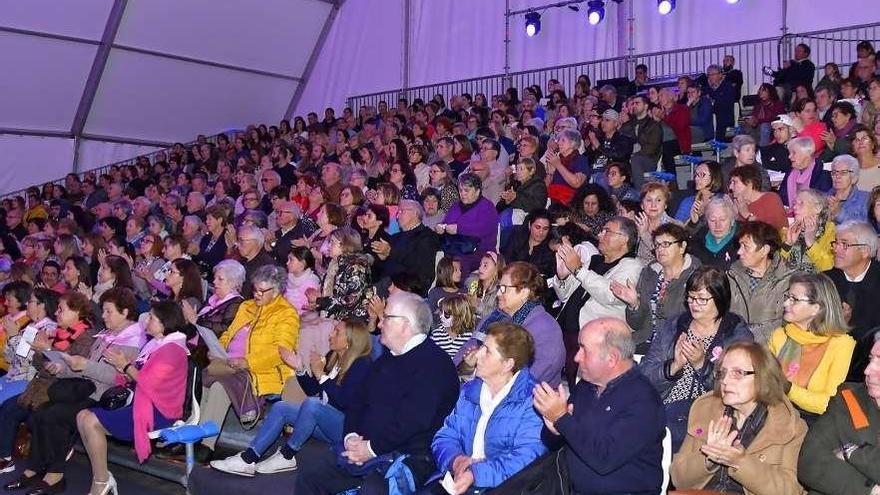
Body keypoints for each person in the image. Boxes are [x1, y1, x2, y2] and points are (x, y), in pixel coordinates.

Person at [294, 292, 459, 494]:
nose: (380, 324)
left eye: (386, 318)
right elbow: (357, 402)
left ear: (405, 325)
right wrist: (351, 437)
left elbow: (413, 422)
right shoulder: (386, 360)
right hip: (368, 447)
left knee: (370, 490)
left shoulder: (435, 365)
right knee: (311, 474)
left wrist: (371, 449)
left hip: (410, 457)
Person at [8, 288, 144, 494]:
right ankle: (35, 468)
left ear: (125, 313)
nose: (104, 316)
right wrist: (63, 368)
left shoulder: (131, 341)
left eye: (109, 312)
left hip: (105, 397)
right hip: (86, 390)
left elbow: (117, 378)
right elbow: (81, 367)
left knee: (55, 415)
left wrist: (81, 365)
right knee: (42, 412)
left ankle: (55, 475)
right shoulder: (106, 335)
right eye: (104, 311)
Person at [210, 320, 373, 477]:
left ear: (350, 341)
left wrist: (321, 375)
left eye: (337, 332)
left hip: (346, 430)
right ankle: (249, 458)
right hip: (325, 420)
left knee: (313, 405)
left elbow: (343, 401)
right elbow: (314, 391)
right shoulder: (333, 357)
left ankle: (287, 455)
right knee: (282, 407)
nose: (331, 334)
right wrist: (300, 368)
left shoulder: (361, 365)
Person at [533, 317, 665, 495]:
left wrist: (561, 419)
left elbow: (604, 459)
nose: (576, 357)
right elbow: (557, 441)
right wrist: (554, 430)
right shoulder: (586, 387)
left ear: (611, 359)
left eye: (584, 350)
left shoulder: (643, 401)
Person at [76, 301, 190, 494]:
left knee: (89, 421)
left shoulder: (173, 349)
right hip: (143, 401)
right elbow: (141, 378)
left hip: (159, 411)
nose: (147, 321)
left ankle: (101, 481)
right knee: (82, 416)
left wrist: (126, 366)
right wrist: (124, 368)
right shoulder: (157, 344)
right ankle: (102, 478)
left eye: (152, 317)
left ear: (165, 322)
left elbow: (149, 383)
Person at [671, 341, 807, 495]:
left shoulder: (788, 424)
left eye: (737, 373)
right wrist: (708, 459)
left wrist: (741, 462)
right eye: (722, 373)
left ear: (763, 377)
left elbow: (790, 491)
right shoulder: (706, 410)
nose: (725, 381)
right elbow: (678, 479)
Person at [640, 266, 753, 450]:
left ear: (720, 298)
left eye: (702, 299)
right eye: (691, 297)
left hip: (707, 412)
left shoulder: (734, 332)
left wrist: (702, 364)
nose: (694, 304)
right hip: (663, 404)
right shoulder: (676, 325)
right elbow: (645, 374)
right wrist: (673, 367)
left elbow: (737, 386)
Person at [430, 323, 546, 493]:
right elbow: (446, 434)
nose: (478, 354)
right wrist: (456, 460)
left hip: (504, 488)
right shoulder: (470, 391)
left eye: (487, 351)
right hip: (458, 480)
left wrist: (475, 474)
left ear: (507, 364)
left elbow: (526, 459)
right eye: (482, 347)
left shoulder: (532, 401)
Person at [199, 265, 300, 455]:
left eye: (262, 291)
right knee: (207, 375)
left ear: (277, 291)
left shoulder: (286, 313)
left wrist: (247, 362)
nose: (257, 294)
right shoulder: (246, 307)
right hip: (232, 363)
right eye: (255, 289)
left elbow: (280, 353)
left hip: (261, 372)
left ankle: (206, 444)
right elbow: (229, 334)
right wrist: (217, 348)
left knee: (221, 386)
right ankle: (196, 434)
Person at [0, 291, 95, 476]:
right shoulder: (54, 331)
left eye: (62, 309)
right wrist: (39, 350)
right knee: (13, 408)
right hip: (39, 383)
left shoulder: (84, 336)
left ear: (76, 312)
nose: (57, 313)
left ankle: (30, 460)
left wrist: (46, 349)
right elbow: (31, 361)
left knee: (23, 411)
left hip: (57, 388)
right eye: (58, 309)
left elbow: (72, 367)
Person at [459, 262, 565, 387]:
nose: (498, 294)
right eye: (499, 287)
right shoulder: (493, 318)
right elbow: (464, 353)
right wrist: (467, 365)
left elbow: (529, 381)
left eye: (504, 288)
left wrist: (480, 374)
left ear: (524, 292)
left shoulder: (546, 330)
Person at [798, 334, 880, 495]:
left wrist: (851, 453)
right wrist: (871, 491)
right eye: (871, 359)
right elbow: (810, 461)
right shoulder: (849, 398)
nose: (867, 370)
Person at [767, 273, 855, 420]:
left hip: (814, 424)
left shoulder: (841, 344)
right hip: (773, 416)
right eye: (787, 297)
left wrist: (788, 388)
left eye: (794, 299)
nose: (785, 304)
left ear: (816, 308)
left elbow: (829, 403)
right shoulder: (779, 335)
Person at [612, 223, 701, 351]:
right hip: (643, 343)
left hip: (675, 347)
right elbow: (636, 324)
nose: (660, 249)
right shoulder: (649, 273)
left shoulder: (697, 276)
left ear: (682, 247)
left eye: (666, 244)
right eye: (657, 245)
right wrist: (634, 304)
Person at [824, 221, 880, 381]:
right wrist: (837, 325)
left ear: (865, 251)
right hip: (832, 366)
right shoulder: (826, 281)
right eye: (836, 243)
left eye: (844, 244)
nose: (836, 249)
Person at [729, 221, 796, 344]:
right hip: (736, 346)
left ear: (764, 250)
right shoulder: (732, 275)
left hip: (772, 349)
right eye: (740, 246)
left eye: (746, 247)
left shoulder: (788, 280)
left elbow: (789, 323)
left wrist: (748, 336)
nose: (739, 252)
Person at [437, 174, 500, 276]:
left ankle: (458, 290)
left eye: (466, 190)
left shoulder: (487, 207)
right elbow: (445, 222)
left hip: (478, 251)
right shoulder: (456, 206)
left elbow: (484, 229)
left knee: (458, 263)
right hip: (454, 247)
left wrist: (459, 229)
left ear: (477, 191)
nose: (462, 194)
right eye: (460, 190)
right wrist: (440, 227)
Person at [373, 199, 440, 296]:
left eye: (401, 211)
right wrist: (382, 258)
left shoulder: (427, 237)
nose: (397, 216)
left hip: (409, 289)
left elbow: (420, 271)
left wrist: (390, 252)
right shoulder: (395, 237)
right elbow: (384, 267)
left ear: (415, 213)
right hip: (387, 286)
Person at [309, 227, 374, 321]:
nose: (328, 246)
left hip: (350, 324)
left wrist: (320, 301)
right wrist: (318, 305)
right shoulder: (336, 264)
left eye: (332, 242)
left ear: (344, 245)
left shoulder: (356, 267)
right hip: (336, 319)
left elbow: (351, 300)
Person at [183, 259, 245, 338]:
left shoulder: (236, 303)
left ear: (233, 283)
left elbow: (225, 329)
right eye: (215, 278)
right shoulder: (213, 298)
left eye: (220, 279)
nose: (214, 282)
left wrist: (196, 321)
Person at [781, 189, 835, 273]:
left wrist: (811, 242)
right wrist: (788, 244)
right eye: (794, 203)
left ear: (818, 208)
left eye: (801, 203)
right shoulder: (790, 230)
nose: (794, 207)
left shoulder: (830, 231)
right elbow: (776, 267)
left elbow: (829, 268)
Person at [620, 95, 662, 188]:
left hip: (648, 160)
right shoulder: (627, 126)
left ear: (646, 106)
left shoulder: (653, 125)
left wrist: (636, 153)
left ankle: (640, 194)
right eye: (633, 103)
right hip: (629, 159)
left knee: (635, 160)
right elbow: (621, 143)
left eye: (637, 103)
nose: (634, 106)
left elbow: (653, 148)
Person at [729, 165, 788, 230]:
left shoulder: (770, 199)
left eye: (735, 182)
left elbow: (770, 233)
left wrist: (747, 215)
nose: (730, 187)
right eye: (731, 183)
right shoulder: (737, 202)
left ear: (749, 183)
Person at [634, 182, 681, 263]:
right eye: (649, 200)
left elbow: (668, 258)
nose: (653, 205)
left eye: (658, 200)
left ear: (665, 205)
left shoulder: (676, 226)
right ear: (642, 205)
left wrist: (644, 235)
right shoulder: (635, 224)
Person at [689, 196, 741, 269]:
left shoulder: (741, 243)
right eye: (712, 220)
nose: (718, 225)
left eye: (722, 220)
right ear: (707, 221)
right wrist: (693, 224)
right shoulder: (698, 240)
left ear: (732, 221)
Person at [501, 209, 555, 279]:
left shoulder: (550, 248)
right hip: (512, 277)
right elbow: (506, 258)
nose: (541, 232)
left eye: (545, 229)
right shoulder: (517, 236)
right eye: (537, 227)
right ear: (530, 225)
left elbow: (547, 276)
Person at [780, 137, 833, 207]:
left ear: (806, 155)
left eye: (794, 153)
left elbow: (822, 204)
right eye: (790, 153)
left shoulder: (823, 174)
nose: (789, 157)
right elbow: (782, 198)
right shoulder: (790, 172)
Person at [543, 129, 589, 205]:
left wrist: (558, 165)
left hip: (570, 202)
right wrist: (550, 173)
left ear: (572, 143)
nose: (558, 143)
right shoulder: (557, 159)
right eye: (558, 140)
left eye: (563, 140)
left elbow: (577, 183)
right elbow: (545, 188)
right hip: (552, 199)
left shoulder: (580, 159)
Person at [674, 160, 725, 227]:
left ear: (714, 178)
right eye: (696, 174)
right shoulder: (689, 201)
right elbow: (676, 228)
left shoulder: (722, 201)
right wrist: (692, 221)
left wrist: (703, 215)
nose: (696, 178)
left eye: (702, 174)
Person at [429, 294, 475, 360]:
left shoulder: (470, 337)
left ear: (459, 316)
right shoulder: (436, 334)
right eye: (441, 312)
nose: (441, 316)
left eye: (446, 315)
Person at [828, 154, 871, 224]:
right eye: (834, 172)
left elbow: (867, 228)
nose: (837, 176)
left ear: (854, 178)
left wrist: (839, 213)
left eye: (843, 172)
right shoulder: (823, 198)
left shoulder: (866, 199)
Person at [704, 64, 737, 141]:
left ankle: (719, 145)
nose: (710, 77)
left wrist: (712, 96)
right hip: (710, 118)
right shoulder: (705, 89)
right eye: (709, 75)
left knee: (722, 115)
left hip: (724, 117)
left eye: (713, 74)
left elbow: (725, 103)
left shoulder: (728, 87)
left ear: (720, 75)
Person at [283, 246, 321, 314]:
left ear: (302, 264)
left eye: (291, 260)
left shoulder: (310, 283)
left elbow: (308, 308)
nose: (287, 263)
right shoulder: (290, 275)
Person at [853, 124, 880, 192]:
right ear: (853, 147)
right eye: (857, 140)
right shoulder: (848, 166)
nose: (860, 142)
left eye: (864, 139)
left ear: (873, 144)